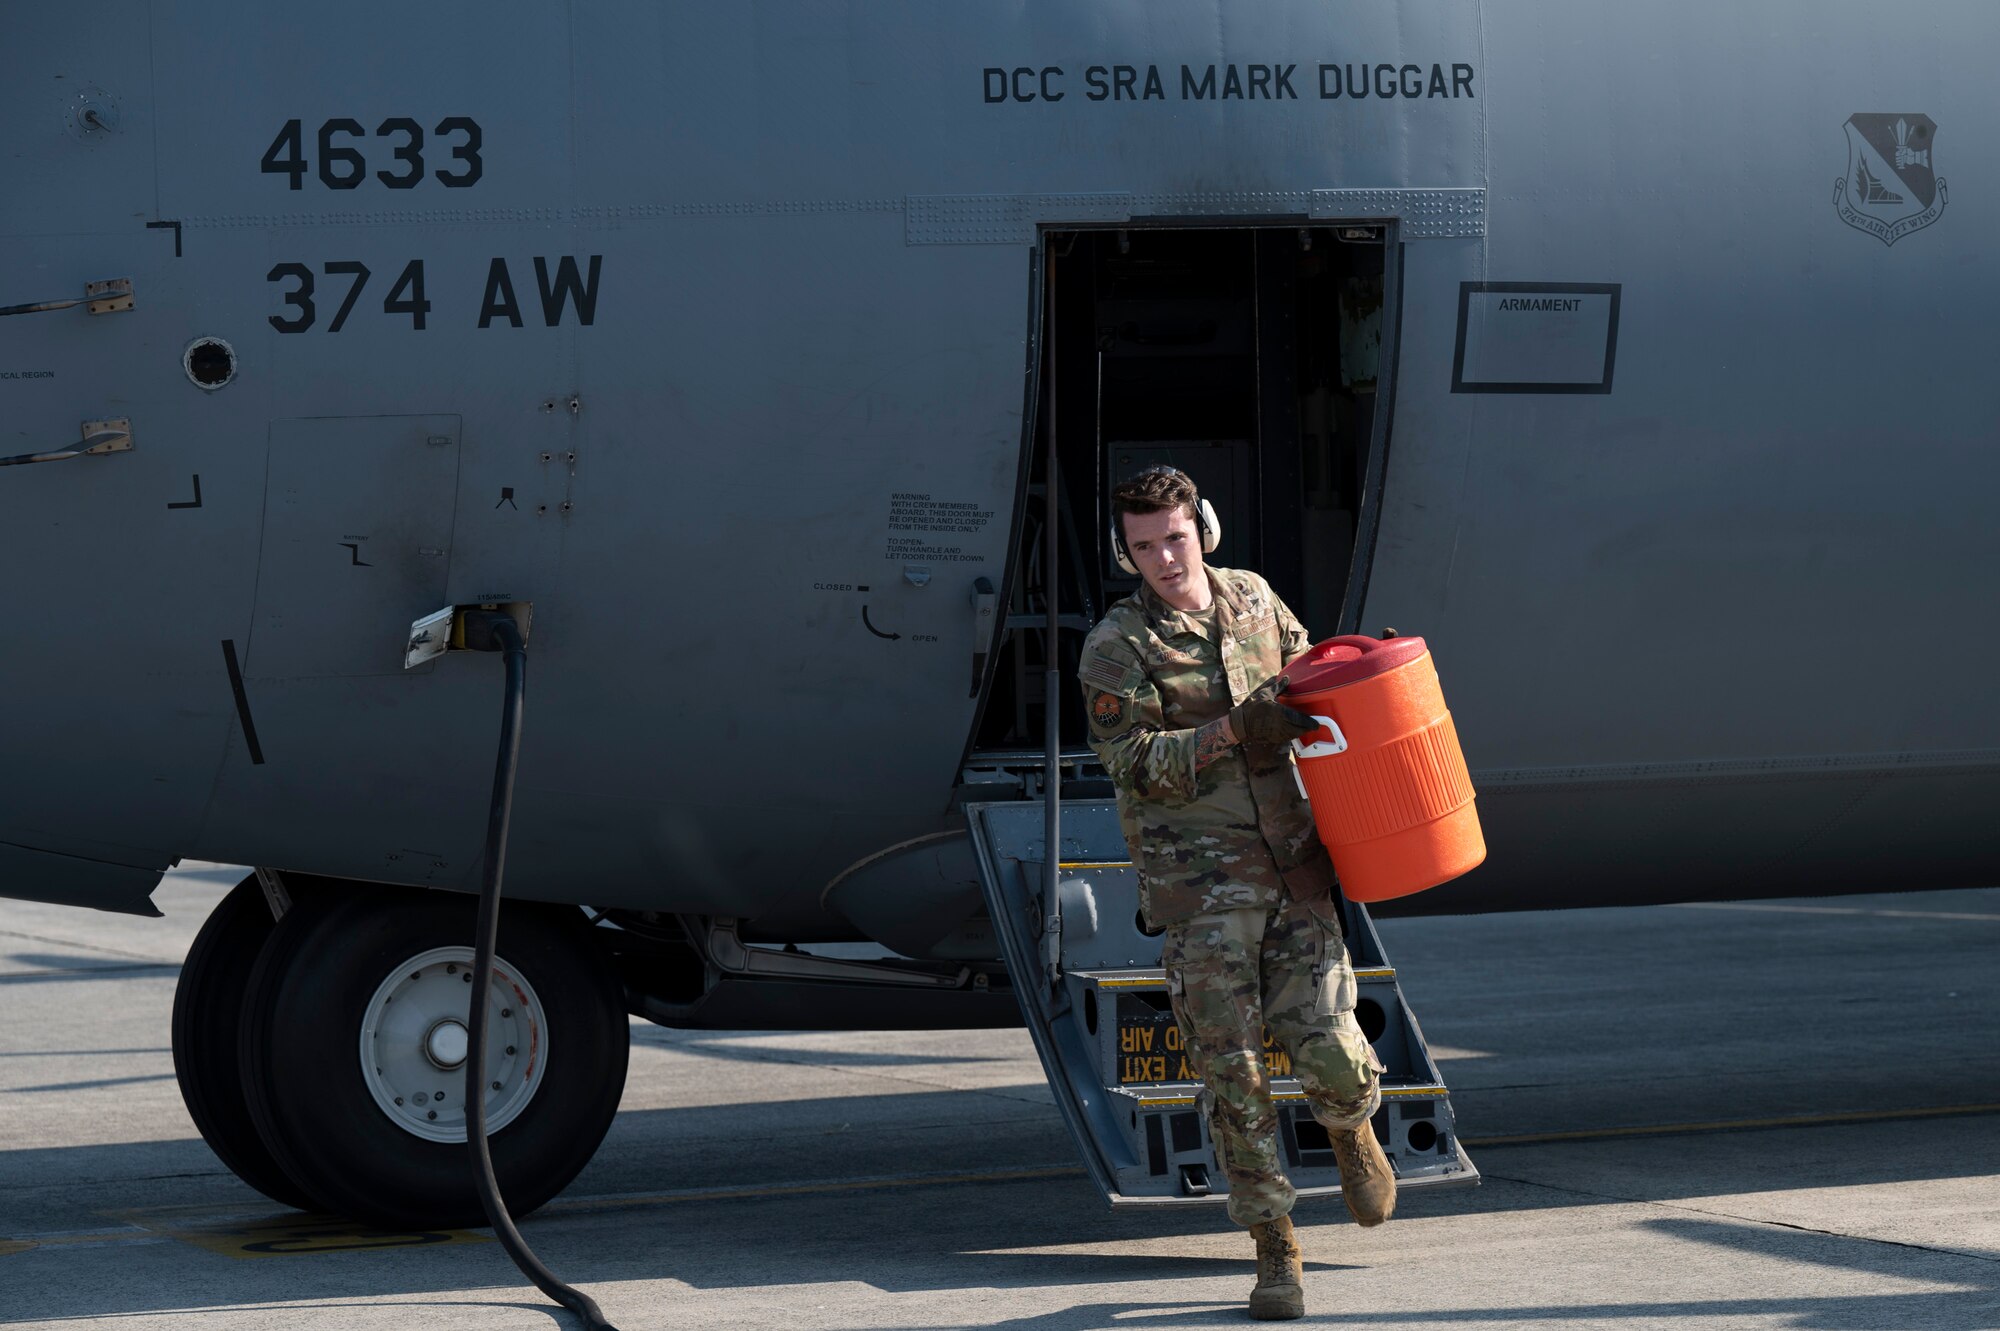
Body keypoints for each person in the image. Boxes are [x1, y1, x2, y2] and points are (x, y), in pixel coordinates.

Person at [1077, 466, 1395, 1322]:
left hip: (1293, 866)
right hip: (1202, 891)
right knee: (1235, 1075)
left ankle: (1352, 1122)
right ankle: (1274, 1245)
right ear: (1126, 552)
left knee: (1331, 1043)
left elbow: (1306, 680)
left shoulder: (1253, 598)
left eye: (1174, 538)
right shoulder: (1116, 647)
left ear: (1204, 529)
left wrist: (1365, 676)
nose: (1163, 558)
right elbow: (1135, 764)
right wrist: (1232, 730)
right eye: (1144, 546)